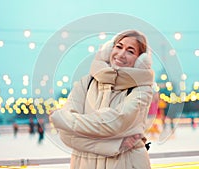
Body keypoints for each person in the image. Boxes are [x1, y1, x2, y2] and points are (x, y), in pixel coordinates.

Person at [50, 30, 154, 169]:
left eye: (130, 51)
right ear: (109, 49)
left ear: (140, 61)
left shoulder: (142, 90)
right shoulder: (86, 83)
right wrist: (114, 145)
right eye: (119, 46)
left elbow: (114, 122)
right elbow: (66, 135)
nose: (121, 54)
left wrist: (63, 119)